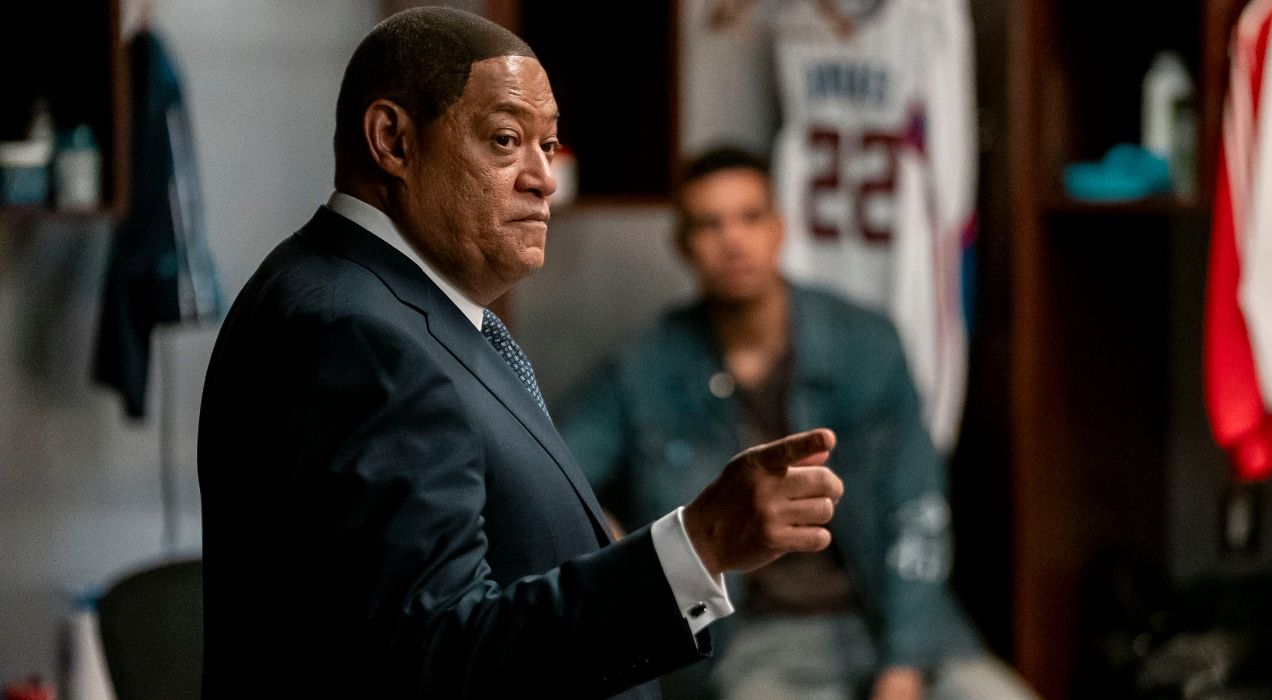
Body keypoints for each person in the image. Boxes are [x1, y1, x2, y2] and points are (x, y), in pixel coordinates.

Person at [196, 10, 845, 699]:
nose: (544, 178)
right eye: (506, 140)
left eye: (550, 145)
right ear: (393, 140)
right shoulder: (356, 333)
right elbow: (437, 657)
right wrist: (701, 543)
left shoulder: (391, 307)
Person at [559, 147, 1036, 700]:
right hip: (757, 643)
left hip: (896, 624)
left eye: (749, 217)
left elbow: (917, 508)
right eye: (710, 225)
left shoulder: (866, 344)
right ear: (683, 246)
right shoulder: (645, 370)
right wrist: (612, 543)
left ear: (779, 228)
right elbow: (553, 473)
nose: (733, 240)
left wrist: (903, 665)